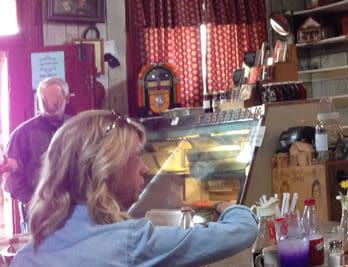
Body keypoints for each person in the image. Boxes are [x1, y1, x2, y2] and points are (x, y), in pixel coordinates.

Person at [12, 109, 258, 266]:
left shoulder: (25, 258)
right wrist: (225, 206)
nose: (145, 168)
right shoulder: (131, 242)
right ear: (107, 168)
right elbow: (242, 230)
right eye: (136, 156)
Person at [4, 77, 70, 225]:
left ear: (67, 98)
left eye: (55, 98)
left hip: (73, 214)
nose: (49, 103)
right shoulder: (22, 134)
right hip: (37, 216)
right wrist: (33, 202)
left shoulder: (78, 128)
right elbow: (11, 180)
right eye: (43, 98)